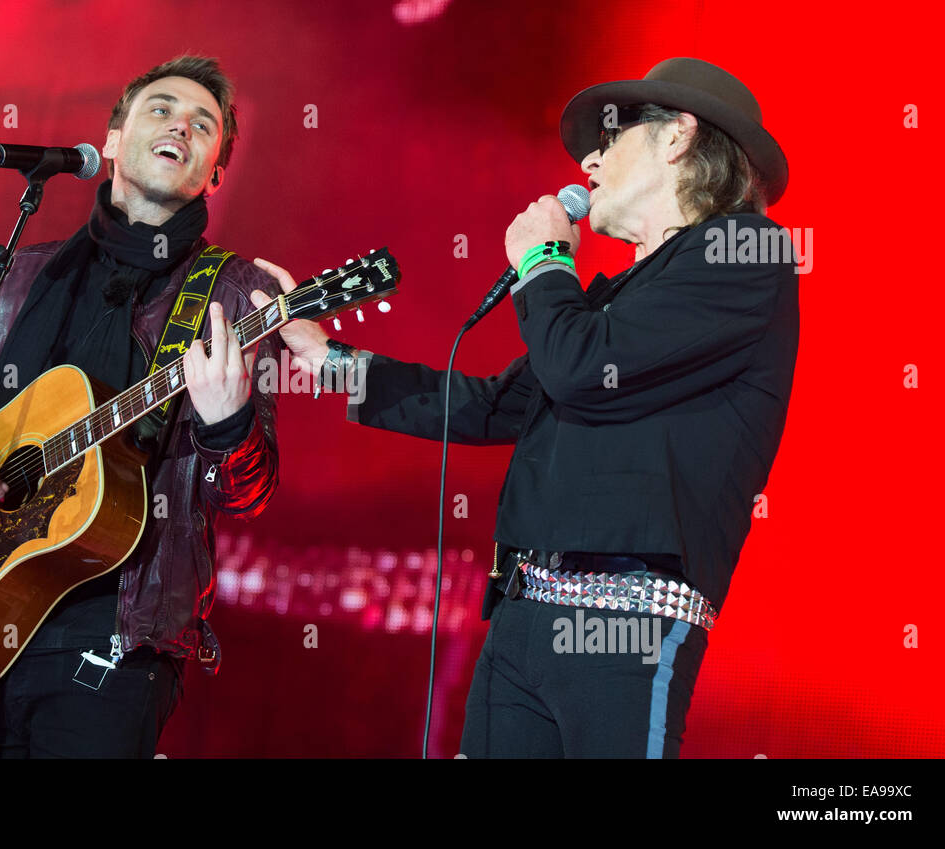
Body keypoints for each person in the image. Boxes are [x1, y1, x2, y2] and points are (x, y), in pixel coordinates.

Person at [256, 58, 799, 757]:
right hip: (521, 617)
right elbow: (491, 406)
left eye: (610, 138)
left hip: (625, 625)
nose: (589, 160)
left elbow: (577, 365)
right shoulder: (608, 298)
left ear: (677, 138)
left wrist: (544, 258)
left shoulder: (745, 253)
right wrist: (325, 359)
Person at [0, 55, 279, 758]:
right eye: (161, 108)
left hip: (114, 636)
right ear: (111, 141)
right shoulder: (24, 272)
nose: (181, 123)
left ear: (214, 173)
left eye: (203, 124)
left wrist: (227, 422)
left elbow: (250, 490)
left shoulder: (233, 293)